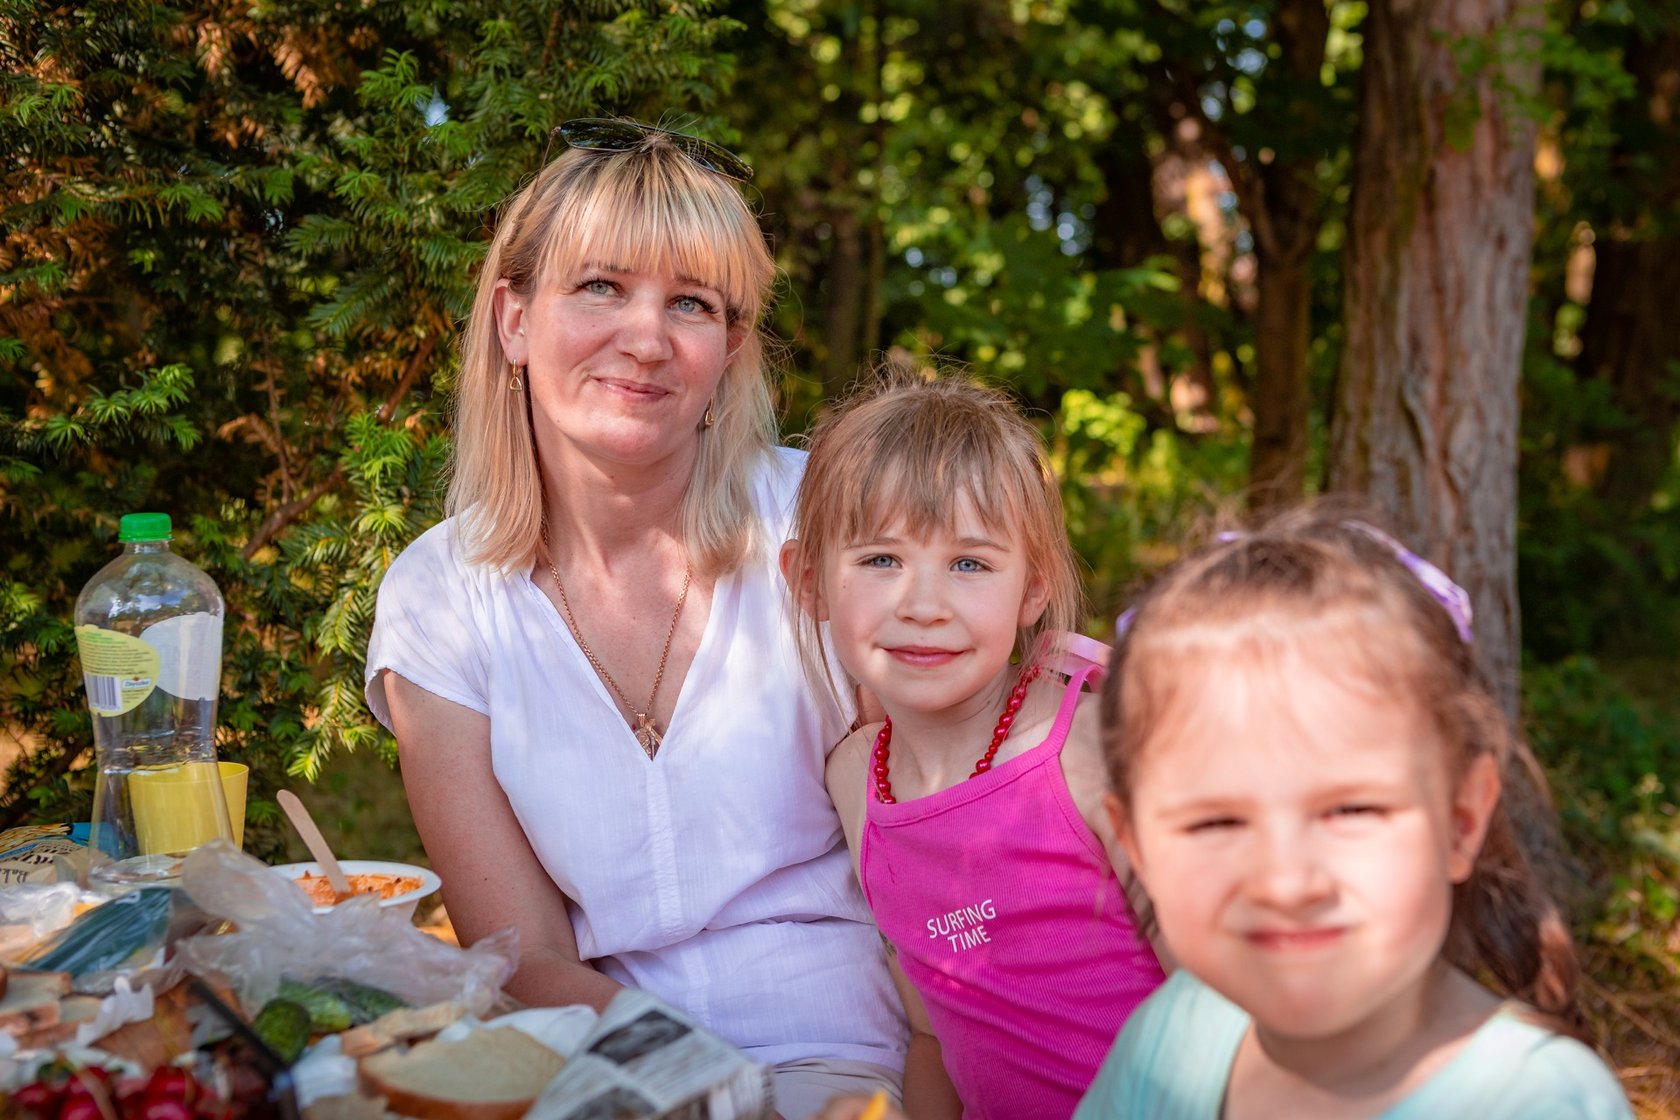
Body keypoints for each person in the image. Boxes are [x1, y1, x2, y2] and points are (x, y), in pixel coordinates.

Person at [362, 118, 906, 1117]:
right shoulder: (438, 596)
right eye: (601, 286)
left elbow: (943, 855)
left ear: (728, 348)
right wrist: (701, 1083)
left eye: (690, 303)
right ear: (514, 319)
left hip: (845, 1047)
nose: (647, 339)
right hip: (599, 1059)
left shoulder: (833, 525)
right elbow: (522, 955)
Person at [1076, 509, 1633, 1118]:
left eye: (1351, 810)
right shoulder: (1170, 1038)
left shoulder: (1539, 1103)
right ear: (1138, 847)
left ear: (1461, 822)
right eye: (1217, 822)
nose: (1286, 883)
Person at [781, 374, 1167, 1120]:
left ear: (1033, 588)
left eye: (970, 564)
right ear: (810, 582)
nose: (924, 606)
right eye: (881, 560)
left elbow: (1223, 1000)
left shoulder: (1090, 751)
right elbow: (933, 1036)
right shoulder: (856, 779)